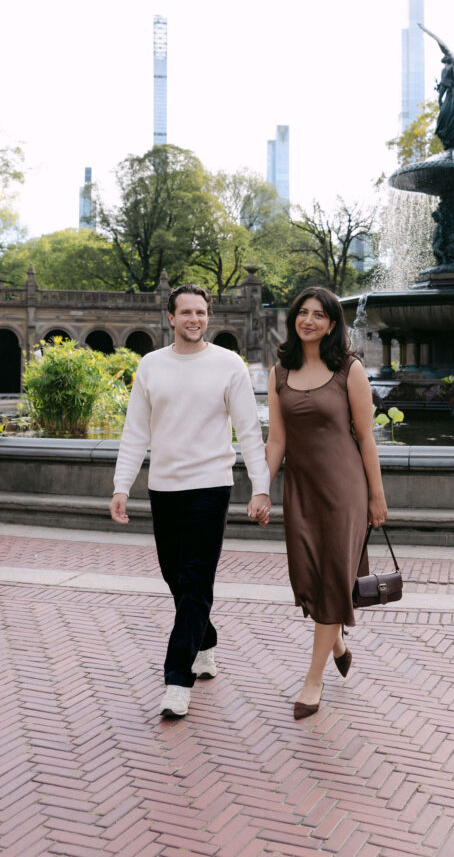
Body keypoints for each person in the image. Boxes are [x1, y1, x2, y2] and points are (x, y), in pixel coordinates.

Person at [109, 284, 271, 718]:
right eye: (185, 312)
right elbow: (135, 433)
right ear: (171, 317)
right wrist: (121, 486)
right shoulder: (151, 366)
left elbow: (248, 431)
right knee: (175, 577)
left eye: (200, 312)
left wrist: (261, 486)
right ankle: (206, 639)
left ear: (208, 317)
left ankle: (177, 680)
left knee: (196, 580)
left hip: (210, 485)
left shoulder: (228, 364)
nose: (194, 319)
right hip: (164, 487)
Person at [265, 286, 388, 720]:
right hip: (300, 489)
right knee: (309, 573)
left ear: (332, 324)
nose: (309, 320)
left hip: (345, 491)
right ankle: (335, 640)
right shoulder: (280, 372)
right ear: (294, 319)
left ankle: (313, 678)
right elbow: (276, 439)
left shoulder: (349, 370)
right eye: (303, 312)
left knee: (334, 574)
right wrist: (263, 487)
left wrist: (376, 494)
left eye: (319, 315)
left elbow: (366, 436)